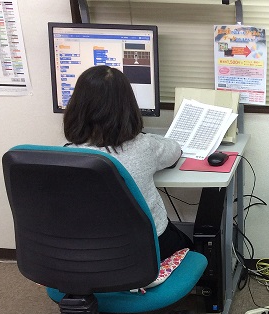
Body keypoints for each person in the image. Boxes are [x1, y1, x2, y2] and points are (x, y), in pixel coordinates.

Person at [63, 65, 192, 261]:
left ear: (76, 107)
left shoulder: (61, 155)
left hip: (86, 254)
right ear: (129, 107)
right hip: (146, 250)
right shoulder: (145, 146)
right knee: (189, 245)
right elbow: (175, 150)